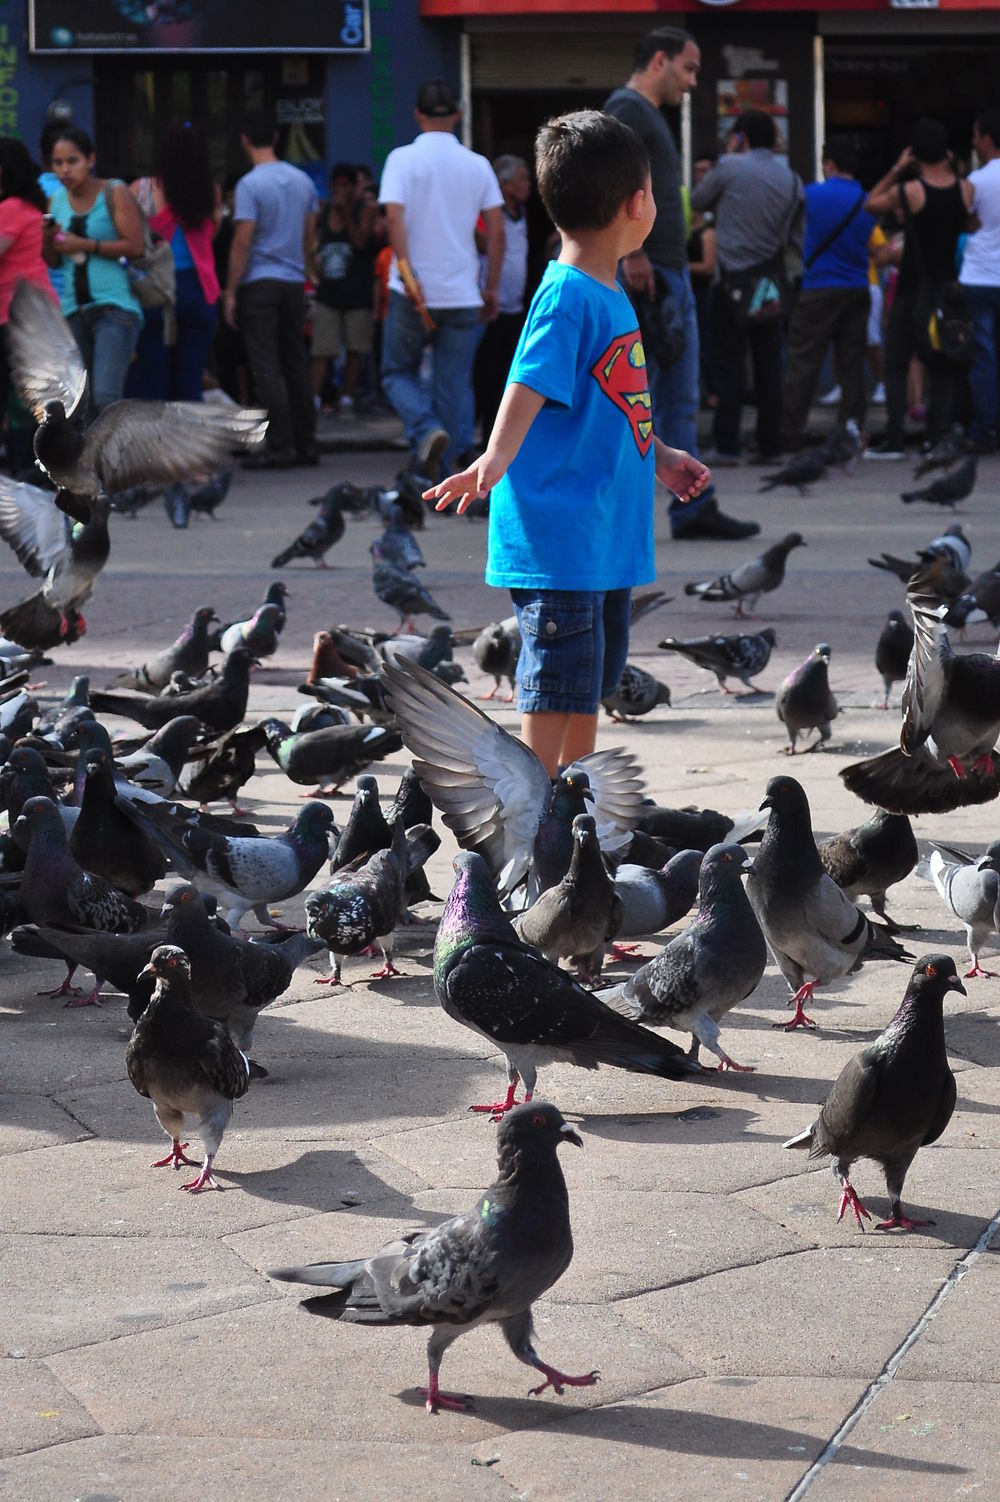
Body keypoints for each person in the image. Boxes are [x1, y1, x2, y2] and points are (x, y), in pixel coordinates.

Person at [425, 110, 709, 779]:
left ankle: (576, 798)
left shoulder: (607, 292)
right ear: (638, 204)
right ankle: (535, 802)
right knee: (556, 679)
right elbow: (527, 380)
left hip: (601, 535)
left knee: (590, 675)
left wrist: (660, 455)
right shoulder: (567, 295)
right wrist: (493, 460)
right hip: (562, 538)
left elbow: (619, 401)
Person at [604, 28, 757, 541]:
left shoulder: (644, 113)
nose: (692, 81)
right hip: (653, 272)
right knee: (653, 395)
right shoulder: (629, 109)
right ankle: (678, 508)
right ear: (660, 61)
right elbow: (612, 181)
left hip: (663, 269)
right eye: (688, 69)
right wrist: (635, 252)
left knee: (672, 393)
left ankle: (691, 506)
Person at [379, 77, 504, 481]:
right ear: (458, 114)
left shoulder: (401, 160)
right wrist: (491, 287)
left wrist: (407, 272)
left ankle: (425, 429)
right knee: (454, 383)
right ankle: (456, 468)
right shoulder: (477, 164)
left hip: (413, 293)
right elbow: (497, 231)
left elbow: (394, 216)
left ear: (417, 114)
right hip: (463, 295)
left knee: (397, 372)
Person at [691, 109, 804, 467]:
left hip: (730, 281)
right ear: (774, 138)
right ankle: (770, 445)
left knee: (730, 366)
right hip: (769, 284)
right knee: (770, 367)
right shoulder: (792, 179)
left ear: (742, 137)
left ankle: (728, 444)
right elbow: (796, 237)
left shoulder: (729, 167)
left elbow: (696, 201)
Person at [863, 118, 974, 459]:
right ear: (946, 151)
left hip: (913, 287)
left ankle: (895, 439)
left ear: (915, 153)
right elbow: (972, 223)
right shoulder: (965, 189)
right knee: (941, 363)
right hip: (947, 288)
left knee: (897, 363)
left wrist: (898, 167)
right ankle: (936, 437)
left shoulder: (912, 191)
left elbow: (872, 203)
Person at [223, 112, 319, 468]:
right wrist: (308, 273)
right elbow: (310, 237)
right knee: (296, 363)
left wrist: (231, 290)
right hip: (294, 282)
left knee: (265, 366)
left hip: (259, 282)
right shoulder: (304, 182)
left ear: (245, 141)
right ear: (276, 138)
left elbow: (242, 241)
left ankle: (280, 446)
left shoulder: (249, 185)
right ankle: (307, 443)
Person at [779, 138, 875, 451]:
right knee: (851, 364)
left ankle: (791, 432)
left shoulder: (811, 195)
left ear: (829, 163)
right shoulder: (867, 200)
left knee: (804, 362)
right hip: (857, 287)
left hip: (818, 287)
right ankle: (850, 430)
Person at [42, 126, 144, 416]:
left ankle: (120, 460)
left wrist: (82, 244)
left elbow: (135, 247)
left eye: (72, 161)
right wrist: (48, 240)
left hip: (113, 307)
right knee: (78, 404)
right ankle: (91, 463)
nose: (64, 170)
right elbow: (52, 261)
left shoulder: (114, 191)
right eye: (57, 163)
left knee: (106, 395)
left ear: (91, 159)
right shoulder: (57, 200)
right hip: (74, 310)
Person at [128, 121, 221, 403]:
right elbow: (211, 233)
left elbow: (130, 238)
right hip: (199, 289)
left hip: (156, 289)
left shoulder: (141, 189)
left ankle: (155, 447)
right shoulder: (211, 191)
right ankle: (190, 446)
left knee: (154, 379)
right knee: (190, 381)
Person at [0, 136, 58, 470]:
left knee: (29, 402)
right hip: (29, 314)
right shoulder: (26, 205)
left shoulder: (12, 208)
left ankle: (29, 472)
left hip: (20, 317)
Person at [473, 153, 531, 449]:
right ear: (505, 183)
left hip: (514, 309)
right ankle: (478, 442)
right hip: (490, 309)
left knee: (507, 379)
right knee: (486, 378)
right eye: (522, 178)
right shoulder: (488, 216)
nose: (527, 184)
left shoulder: (522, 213)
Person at [310, 162, 376, 413]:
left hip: (356, 294)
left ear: (353, 187)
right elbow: (312, 246)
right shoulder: (322, 213)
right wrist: (314, 267)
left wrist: (346, 214)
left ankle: (347, 397)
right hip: (328, 293)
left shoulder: (364, 210)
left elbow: (361, 242)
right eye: (336, 185)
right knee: (321, 349)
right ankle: (314, 398)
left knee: (354, 348)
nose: (340, 190)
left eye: (345, 185)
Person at [959, 108, 1000, 455]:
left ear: (986, 139)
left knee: (984, 356)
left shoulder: (977, 181)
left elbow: (966, 222)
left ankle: (986, 427)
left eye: (975, 135)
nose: (973, 141)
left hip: (980, 277)